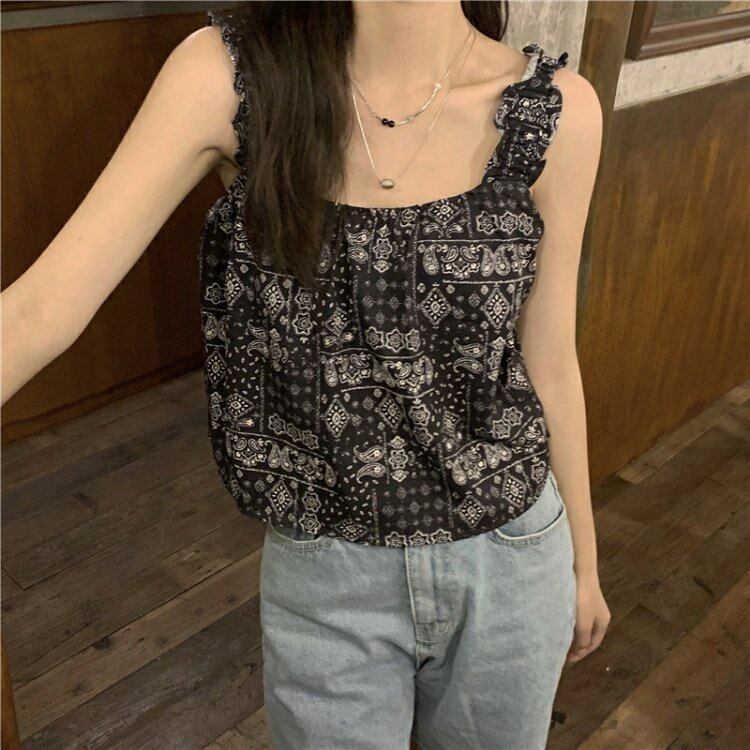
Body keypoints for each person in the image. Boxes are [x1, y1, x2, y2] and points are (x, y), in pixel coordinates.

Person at [1, 1, 610, 748]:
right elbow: (36, 312)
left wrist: (583, 562)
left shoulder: (555, 113)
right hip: (328, 566)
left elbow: (550, 358)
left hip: (513, 554)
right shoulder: (235, 76)